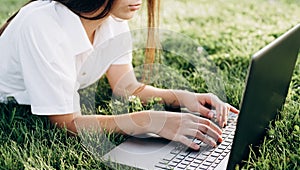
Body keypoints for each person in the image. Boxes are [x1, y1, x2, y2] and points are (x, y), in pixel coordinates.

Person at [0, 0, 238, 151]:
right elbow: (66, 123)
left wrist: (183, 97)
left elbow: (127, 88)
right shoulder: (42, 24)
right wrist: (149, 120)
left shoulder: (112, 17)